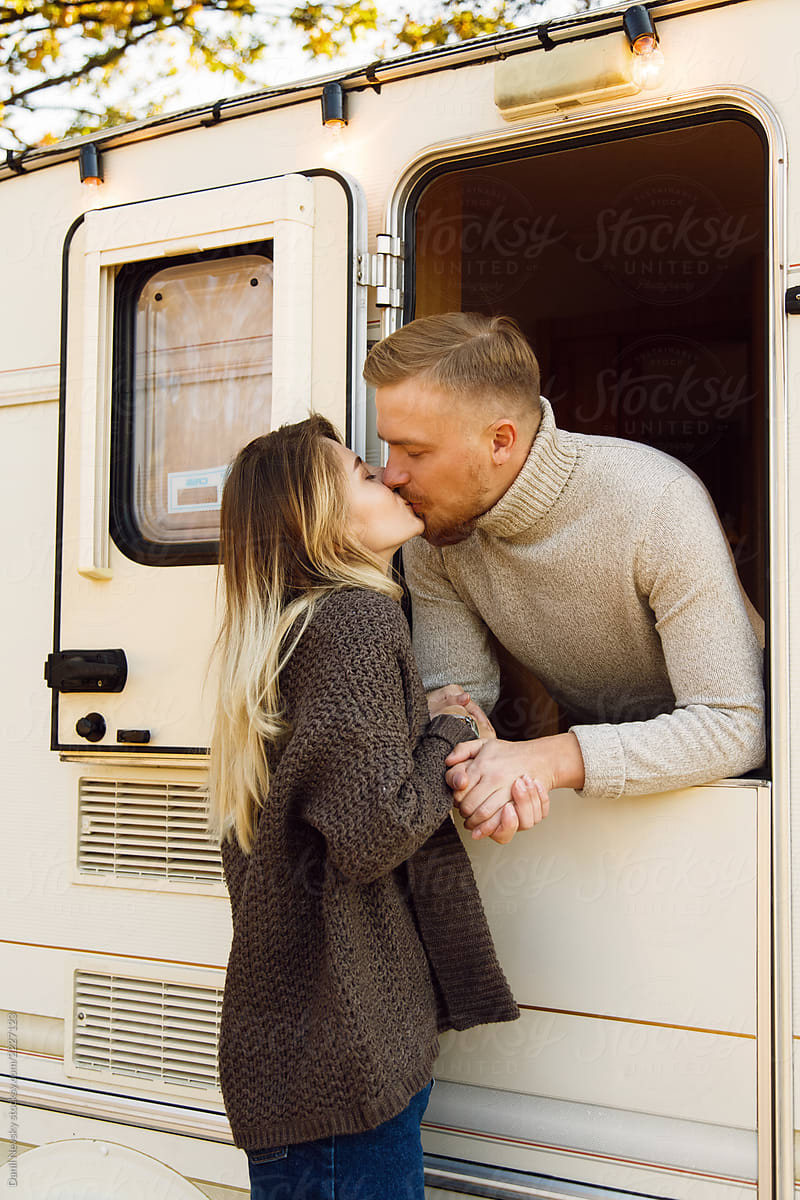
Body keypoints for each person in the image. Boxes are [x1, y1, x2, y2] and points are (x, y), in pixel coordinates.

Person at [207, 414, 519, 1200]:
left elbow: (349, 793)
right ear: (319, 517)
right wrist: (447, 724)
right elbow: (376, 833)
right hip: (343, 1071)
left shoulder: (299, 625)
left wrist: (420, 714)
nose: (389, 475)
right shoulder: (354, 619)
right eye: (361, 471)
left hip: (315, 1062)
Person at [363, 312, 766, 844]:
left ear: (500, 441)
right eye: (388, 446)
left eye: (414, 451)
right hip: (604, 789)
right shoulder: (436, 528)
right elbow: (459, 697)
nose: (391, 473)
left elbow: (735, 726)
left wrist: (545, 759)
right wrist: (476, 775)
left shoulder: (656, 501)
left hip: (753, 794)